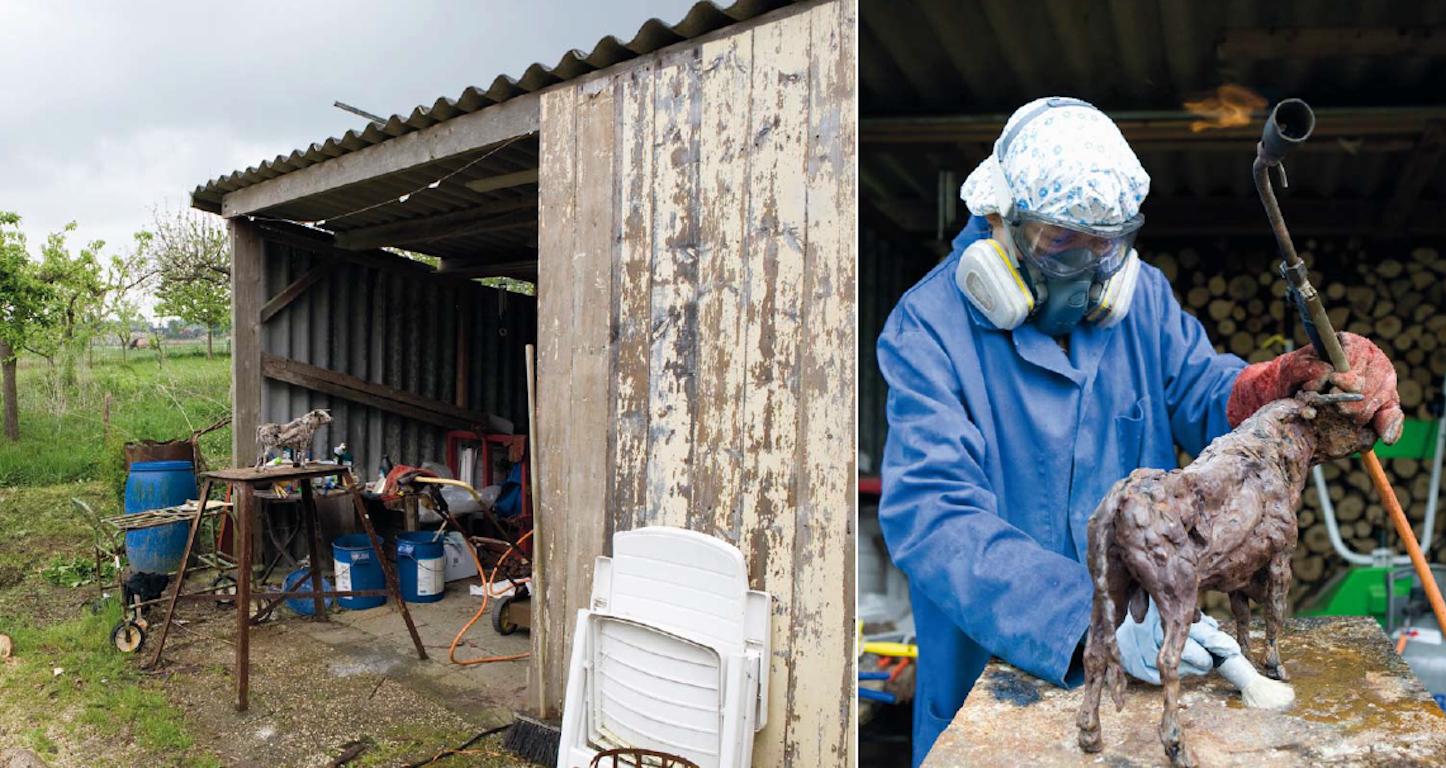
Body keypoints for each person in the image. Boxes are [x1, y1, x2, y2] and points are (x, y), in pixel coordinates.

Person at [876, 97, 1404, 766]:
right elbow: (934, 517)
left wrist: (1282, 386)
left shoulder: (1140, 299)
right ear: (997, 220)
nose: (1088, 271)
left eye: (1107, 245)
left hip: (1143, 692)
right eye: (1059, 243)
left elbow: (1212, 397)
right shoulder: (930, 327)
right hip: (1000, 685)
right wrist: (1087, 618)